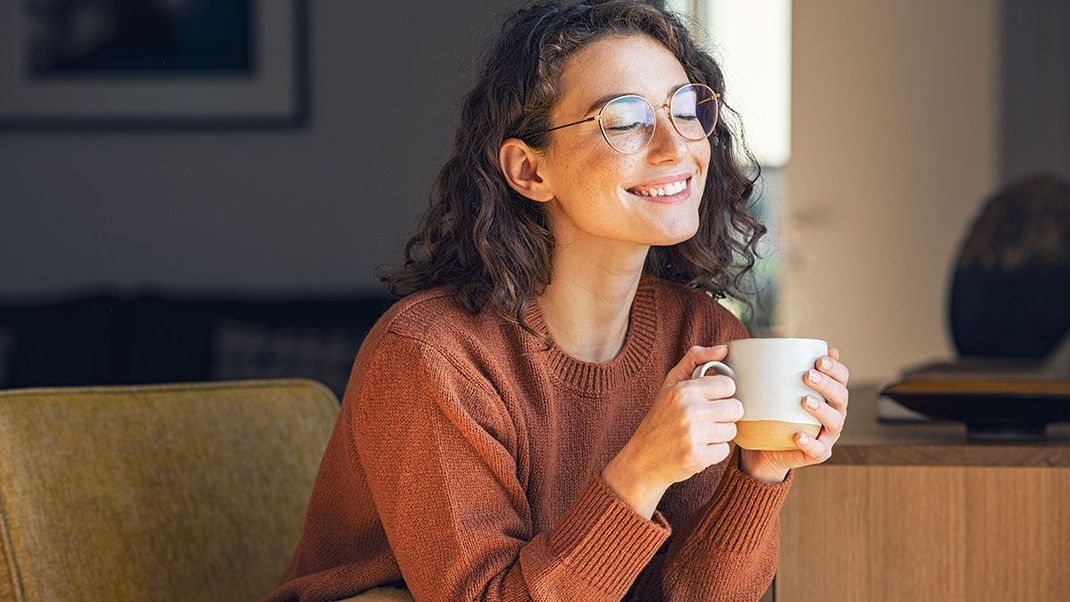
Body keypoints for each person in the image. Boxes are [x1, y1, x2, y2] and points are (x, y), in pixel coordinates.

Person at [265, 1, 850, 600]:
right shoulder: (431, 356)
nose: (677, 147)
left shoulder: (704, 334)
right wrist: (639, 472)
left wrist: (761, 471)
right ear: (529, 170)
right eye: (623, 121)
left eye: (685, 108)